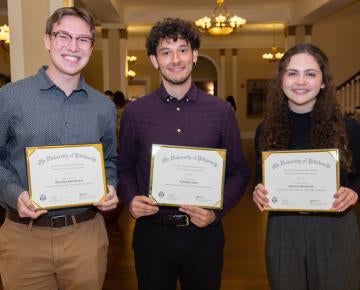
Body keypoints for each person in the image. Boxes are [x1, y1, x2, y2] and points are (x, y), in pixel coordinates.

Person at [117, 18, 250, 290]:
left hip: (204, 234)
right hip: (152, 234)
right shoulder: (135, 112)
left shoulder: (221, 111)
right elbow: (125, 168)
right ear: (154, 60)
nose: (175, 59)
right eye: (165, 52)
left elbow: (239, 172)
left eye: (182, 49)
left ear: (195, 55)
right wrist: (130, 200)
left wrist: (217, 211)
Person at [0, 7, 119, 290]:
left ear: (91, 46)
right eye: (63, 36)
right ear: (47, 40)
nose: (73, 47)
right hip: (24, 238)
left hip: (85, 236)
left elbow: (110, 160)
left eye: (83, 39)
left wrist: (110, 185)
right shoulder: (10, 98)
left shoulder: (103, 106)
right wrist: (14, 195)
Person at [252, 43, 360, 290]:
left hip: (335, 229)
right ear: (281, 80)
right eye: (292, 73)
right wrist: (257, 191)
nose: (301, 81)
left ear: (323, 82)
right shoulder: (265, 130)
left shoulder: (347, 127)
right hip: (282, 230)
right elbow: (259, 179)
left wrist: (354, 192)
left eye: (310, 73)